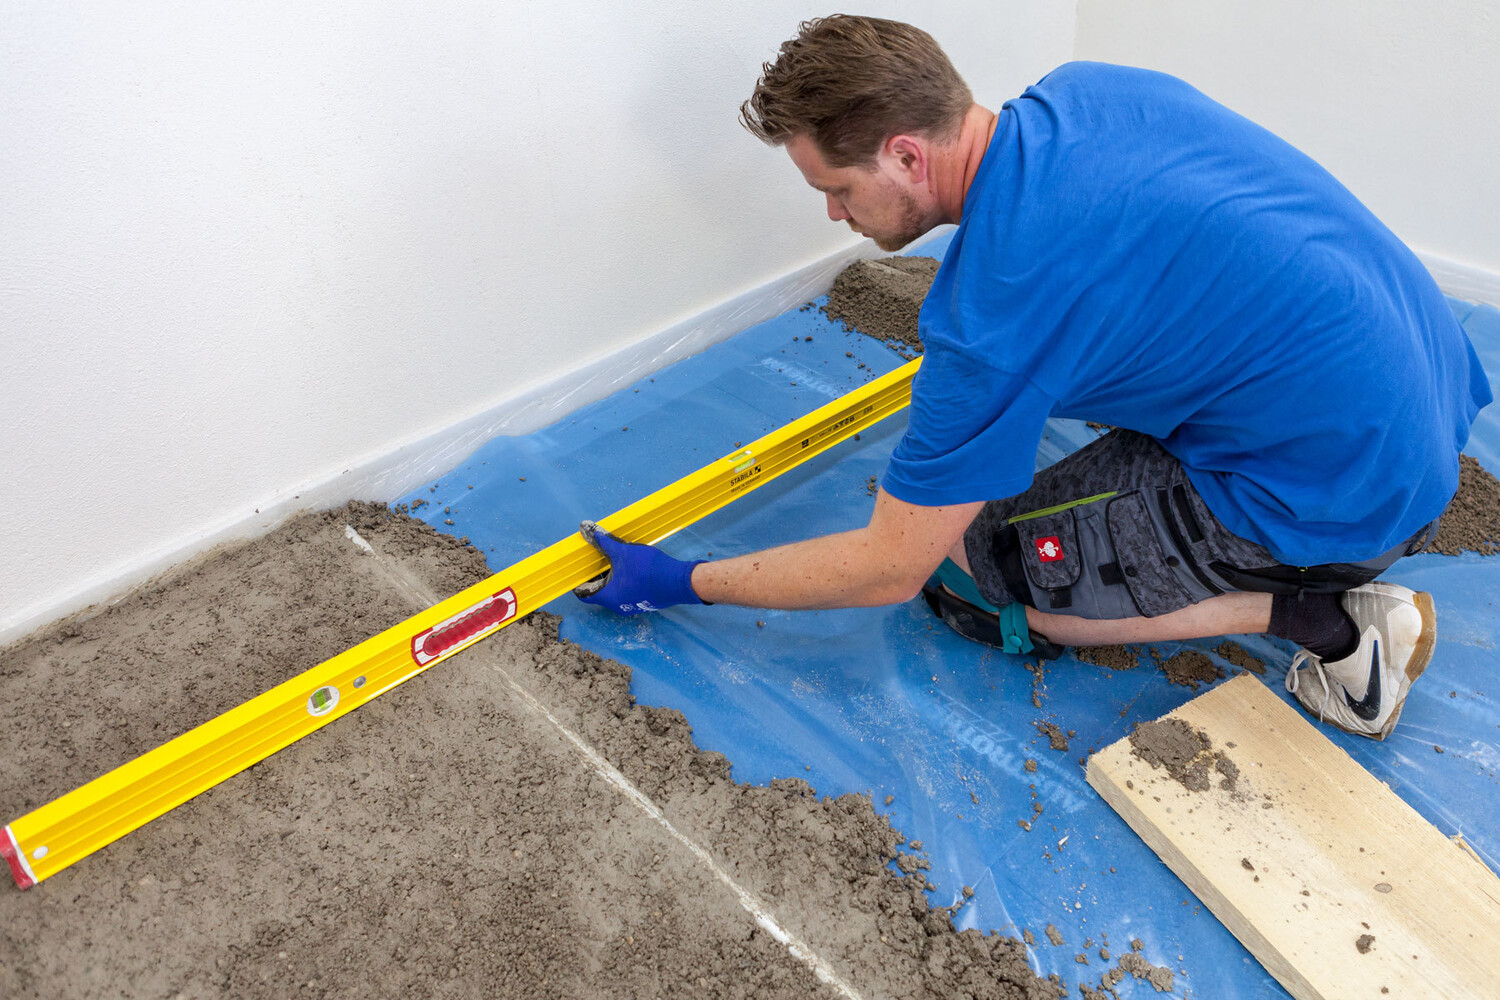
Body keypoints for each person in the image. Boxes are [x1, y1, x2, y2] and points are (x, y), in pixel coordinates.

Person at [574, 15, 1491, 741]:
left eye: (837, 189)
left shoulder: (992, 315)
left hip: (1344, 497)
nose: (832, 214)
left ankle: (1328, 623)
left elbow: (888, 567)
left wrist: (683, 580)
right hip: (1420, 398)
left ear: (906, 155)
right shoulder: (1089, 90)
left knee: (972, 571)